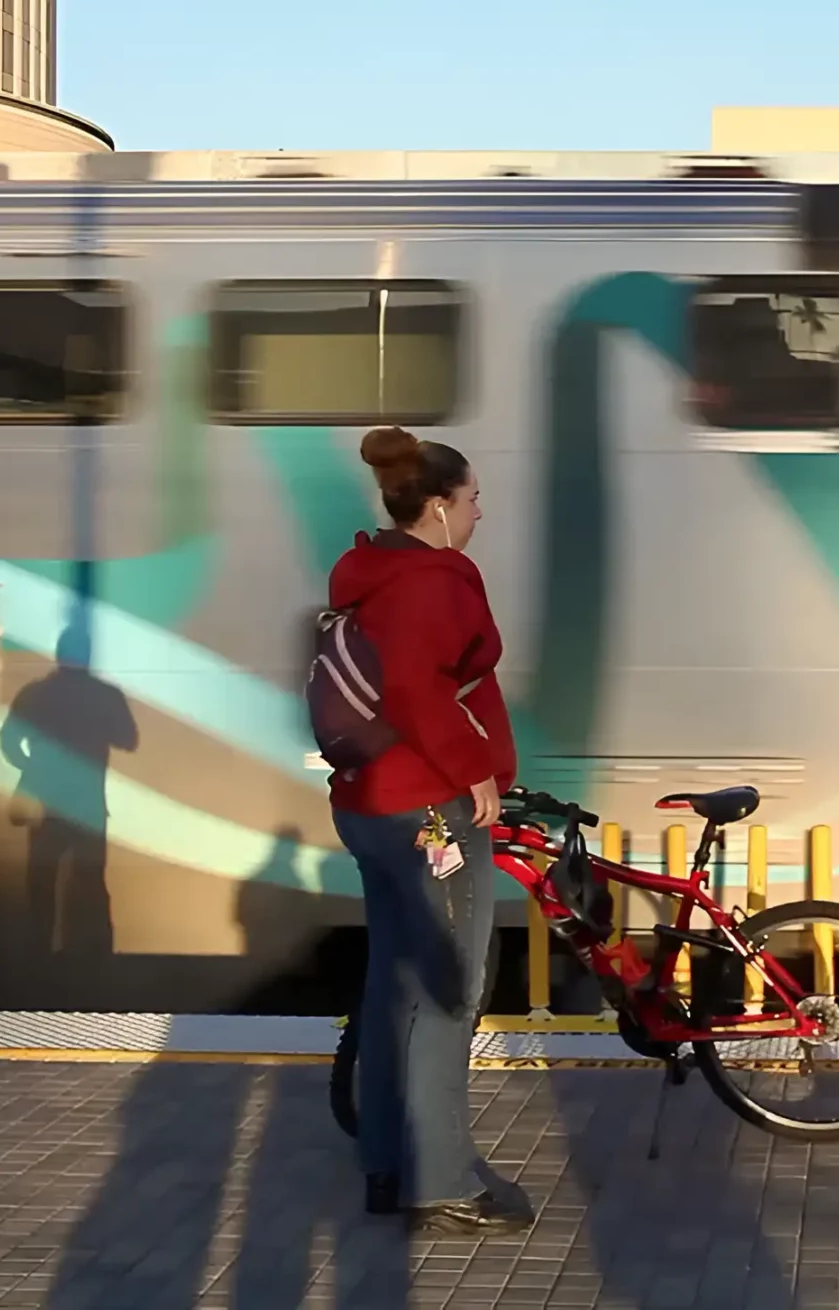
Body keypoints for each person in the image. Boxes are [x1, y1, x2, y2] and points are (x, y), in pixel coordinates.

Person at [329, 428, 527, 1234]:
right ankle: (443, 1180)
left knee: (394, 986)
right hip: (430, 809)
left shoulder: (369, 572)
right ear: (439, 506)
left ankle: (386, 1161)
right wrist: (472, 767)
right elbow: (416, 686)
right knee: (448, 989)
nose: (481, 512)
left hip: (370, 805)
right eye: (474, 498)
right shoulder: (431, 579)